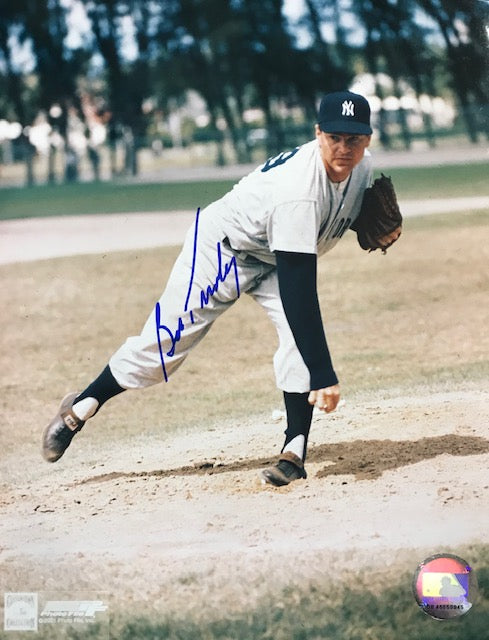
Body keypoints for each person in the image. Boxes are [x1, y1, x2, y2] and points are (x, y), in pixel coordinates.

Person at [42, 91, 401, 486]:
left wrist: (360, 223)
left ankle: (294, 452)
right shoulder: (297, 190)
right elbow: (300, 289)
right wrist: (323, 374)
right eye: (335, 137)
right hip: (224, 248)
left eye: (354, 138)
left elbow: (335, 212)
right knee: (164, 345)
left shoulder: (362, 169)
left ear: (368, 139)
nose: (344, 147)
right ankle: (79, 409)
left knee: (299, 341)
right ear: (318, 134)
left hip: (274, 254)